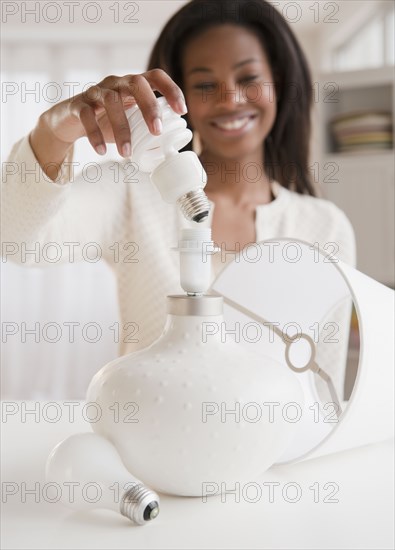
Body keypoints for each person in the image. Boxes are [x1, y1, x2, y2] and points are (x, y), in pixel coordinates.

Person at [2, 0, 356, 400]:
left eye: (249, 77)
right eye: (205, 85)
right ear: (176, 96)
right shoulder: (131, 192)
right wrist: (55, 130)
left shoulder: (324, 228)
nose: (230, 99)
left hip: (273, 458)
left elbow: (324, 393)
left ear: (279, 81)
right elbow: (18, 240)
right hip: (150, 451)